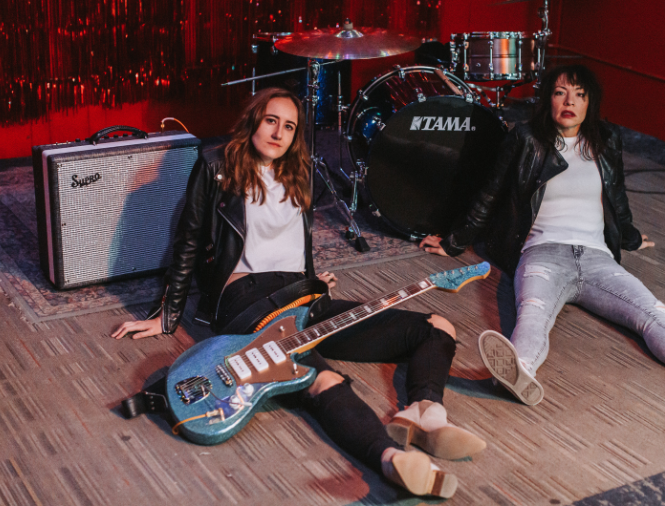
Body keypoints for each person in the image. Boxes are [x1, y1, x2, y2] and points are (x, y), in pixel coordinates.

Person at [112, 88, 486, 498]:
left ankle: (426, 413)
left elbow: (294, 241)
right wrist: (166, 314)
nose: (278, 133)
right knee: (317, 376)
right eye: (271, 120)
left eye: (289, 126)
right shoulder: (216, 165)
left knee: (435, 326)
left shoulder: (301, 171)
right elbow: (187, 239)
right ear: (254, 120)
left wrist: (310, 280)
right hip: (249, 301)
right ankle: (389, 458)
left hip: (304, 298)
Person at [420, 65, 665, 408]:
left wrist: (629, 237)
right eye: (560, 93)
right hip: (543, 253)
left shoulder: (605, 140)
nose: (569, 102)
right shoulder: (526, 139)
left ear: (590, 103)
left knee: (652, 313)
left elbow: (616, 196)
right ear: (547, 98)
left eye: (579, 95)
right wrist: (453, 241)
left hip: (598, 259)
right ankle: (519, 370)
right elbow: (490, 192)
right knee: (533, 312)